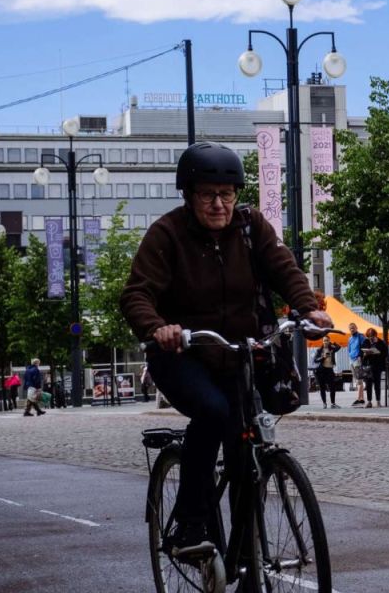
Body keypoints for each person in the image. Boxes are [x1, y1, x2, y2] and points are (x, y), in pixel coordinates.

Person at [120, 141, 330, 560]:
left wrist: (308, 309)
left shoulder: (252, 229)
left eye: (227, 195)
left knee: (244, 451)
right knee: (213, 412)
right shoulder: (167, 234)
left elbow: (284, 268)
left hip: (240, 356)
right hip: (183, 357)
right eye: (207, 195)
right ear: (189, 195)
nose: (219, 204)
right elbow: (136, 294)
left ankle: (245, 564)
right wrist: (159, 328)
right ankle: (189, 524)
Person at [361, 328, 389, 408]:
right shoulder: (365, 342)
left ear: (375, 335)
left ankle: (378, 401)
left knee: (377, 383)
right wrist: (365, 355)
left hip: (377, 365)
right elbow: (361, 352)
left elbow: (385, 353)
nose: (370, 338)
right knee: (368, 384)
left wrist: (378, 353)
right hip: (368, 366)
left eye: (372, 336)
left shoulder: (380, 342)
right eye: (369, 336)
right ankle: (369, 401)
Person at [313, 340, 338, 408]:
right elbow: (315, 360)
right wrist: (323, 357)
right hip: (321, 370)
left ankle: (333, 403)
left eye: (327, 341)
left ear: (329, 341)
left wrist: (333, 344)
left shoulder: (332, 349)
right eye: (324, 341)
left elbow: (339, 347)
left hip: (330, 369)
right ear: (322, 342)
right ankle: (324, 403)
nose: (325, 342)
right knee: (322, 388)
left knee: (332, 387)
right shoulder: (319, 350)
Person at [347, 323, 367, 407]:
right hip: (352, 360)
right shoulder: (350, 339)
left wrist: (360, 356)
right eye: (350, 328)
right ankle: (361, 398)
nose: (352, 329)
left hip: (358, 360)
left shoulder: (361, 337)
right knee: (356, 379)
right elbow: (349, 349)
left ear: (356, 328)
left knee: (359, 380)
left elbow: (364, 347)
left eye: (353, 328)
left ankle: (359, 398)